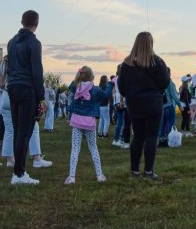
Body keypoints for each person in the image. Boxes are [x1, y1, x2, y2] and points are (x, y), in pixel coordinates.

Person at [117, 32, 170, 180]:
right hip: (153, 103)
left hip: (134, 105)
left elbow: (121, 87)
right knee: (152, 137)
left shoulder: (126, 64)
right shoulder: (157, 62)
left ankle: (134, 171)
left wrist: (132, 94)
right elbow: (165, 83)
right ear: (151, 43)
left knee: (138, 137)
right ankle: (148, 172)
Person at [5, 9, 46, 185]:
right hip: (27, 88)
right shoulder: (34, 43)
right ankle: (19, 173)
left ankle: (19, 171)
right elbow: (37, 71)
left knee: (17, 130)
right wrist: (41, 97)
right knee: (25, 131)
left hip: (13, 87)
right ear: (36, 24)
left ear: (22, 22)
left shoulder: (11, 42)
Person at [65, 66, 110, 184]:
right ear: (92, 77)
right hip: (90, 123)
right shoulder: (96, 90)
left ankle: (71, 177)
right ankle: (99, 175)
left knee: (75, 149)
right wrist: (110, 84)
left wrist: (78, 77)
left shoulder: (75, 87)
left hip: (76, 122)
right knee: (93, 148)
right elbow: (106, 95)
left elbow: (71, 85)